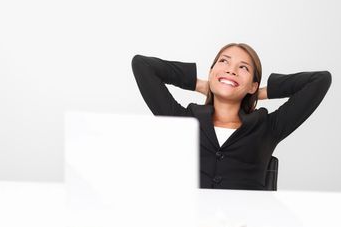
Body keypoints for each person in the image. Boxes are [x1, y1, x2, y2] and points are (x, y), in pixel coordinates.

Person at [131, 43, 332, 190]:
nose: (231, 69)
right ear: (211, 72)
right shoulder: (184, 120)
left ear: (253, 83)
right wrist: (201, 84)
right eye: (224, 62)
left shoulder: (267, 127)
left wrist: (257, 93)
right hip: (190, 226)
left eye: (243, 67)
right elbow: (142, 65)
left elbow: (320, 80)